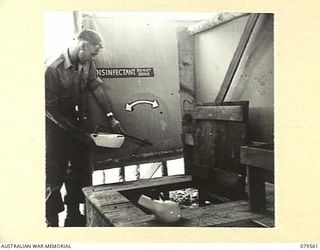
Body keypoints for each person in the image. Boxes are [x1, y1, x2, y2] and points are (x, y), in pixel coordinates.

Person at [45, 29, 124, 227]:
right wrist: (77, 133)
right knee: (55, 175)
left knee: (81, 170)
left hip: (76, 121)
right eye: (94, 53)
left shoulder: (86, 62)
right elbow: (49, 108)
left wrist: (111, 117)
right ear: (83, 46)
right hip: (54, 124)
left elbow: (95, 87)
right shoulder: (52, 67)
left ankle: (74, 215)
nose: (93, 57)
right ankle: (51, 223)